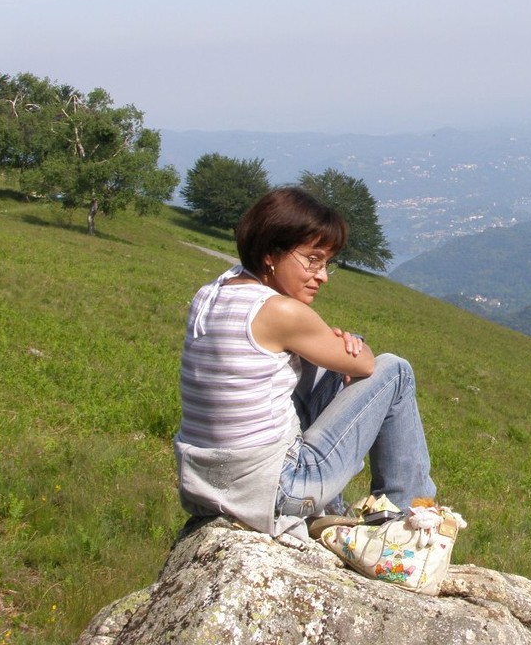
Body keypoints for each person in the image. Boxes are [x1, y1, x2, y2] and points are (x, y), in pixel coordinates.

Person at [174, 187, 435, 542]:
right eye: (312, 259)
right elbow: (368, 366)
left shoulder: (212, 292)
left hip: (206, 483)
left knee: (320, 361)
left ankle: (330, 511)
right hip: (276, 488)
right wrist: (354, 346)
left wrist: (336, 347)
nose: (322, 275)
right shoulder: (281, 311)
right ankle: (408, 524)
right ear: (271, 253)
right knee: (396, 371)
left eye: (327, 263)